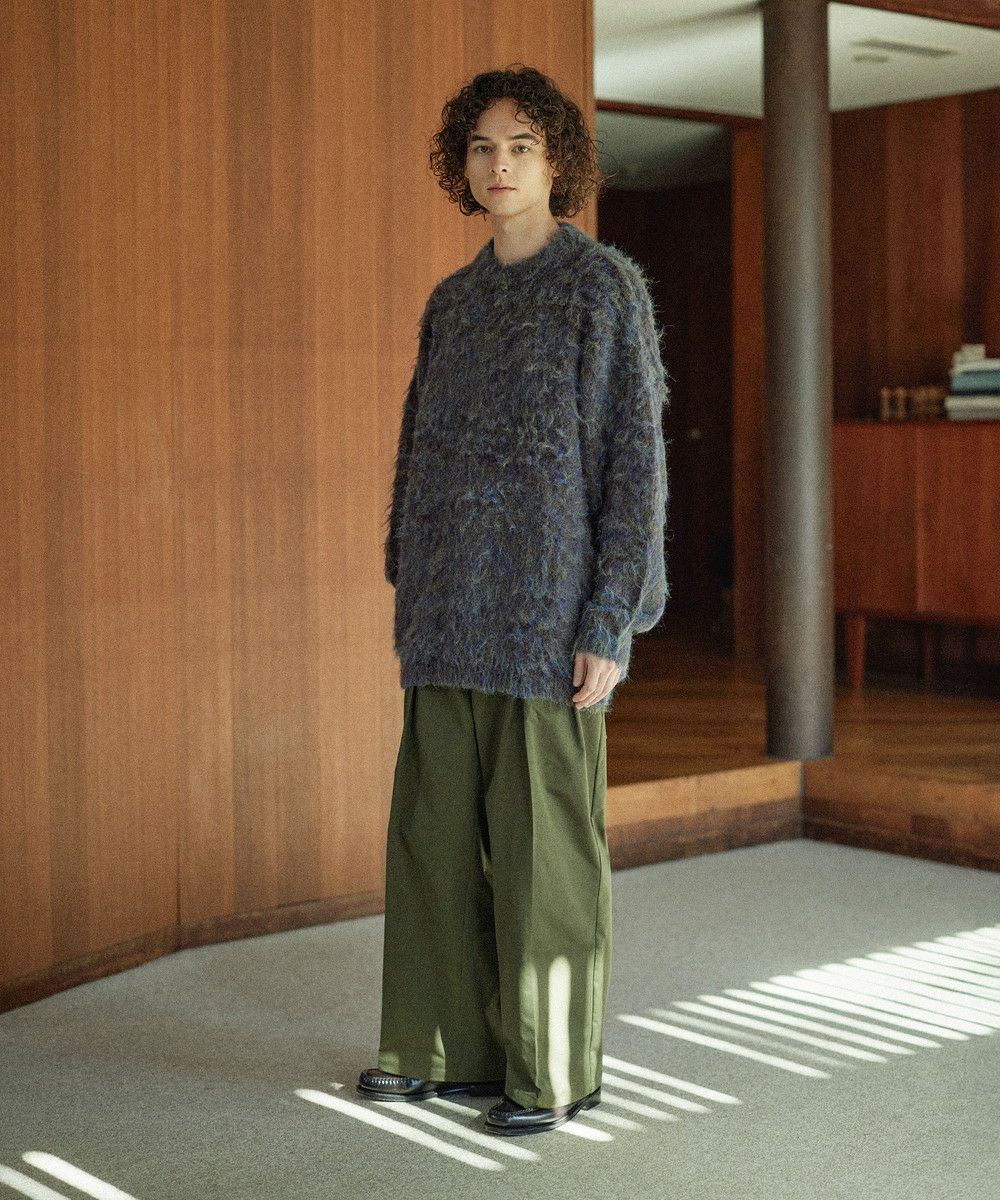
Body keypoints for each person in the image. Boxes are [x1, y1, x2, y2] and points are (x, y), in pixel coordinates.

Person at [357, 64, 670, 1138]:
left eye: (521, 147)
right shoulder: (452, 303)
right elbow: (417, 455)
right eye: (483, 147)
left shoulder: (602, 289)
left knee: (545, 861)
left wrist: (611, 619)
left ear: (558, 163)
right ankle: (440, 1052)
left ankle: (555, 1073)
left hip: (547, 629)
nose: (499, 165)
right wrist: (408, 575)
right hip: (446, 622)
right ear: (463, 165)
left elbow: (635, 465)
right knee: (434, 849)